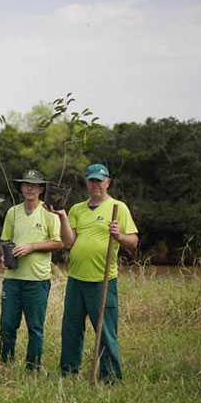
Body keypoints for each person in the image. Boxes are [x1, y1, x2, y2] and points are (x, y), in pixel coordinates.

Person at [50, 163, 138, 381]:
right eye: (92, 180)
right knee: (71, 329)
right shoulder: (77, 209)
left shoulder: (118, 207)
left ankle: (110, 377)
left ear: (108, 182)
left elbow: (133, 242)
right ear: (86, 182)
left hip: (102, 280)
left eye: (100, 180)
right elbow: (68, 243)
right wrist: (62, 217)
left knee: (105, 330)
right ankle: (68, 372)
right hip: (76, 279)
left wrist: (119, 235)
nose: (95, 184)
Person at [0, 169, 63, 369]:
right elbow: (4, 240)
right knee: (7, 325)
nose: (29, 188)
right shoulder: (12, 212)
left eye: (34, 185)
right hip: (12, 278)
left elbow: (58, 243)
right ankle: (6, 364)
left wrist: (31, 247)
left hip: (37, 280)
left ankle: (32, 367)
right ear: (21, 187)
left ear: (41, 189)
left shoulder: (49, 213)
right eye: (26, 184)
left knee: (35, 327)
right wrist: (5, 255)